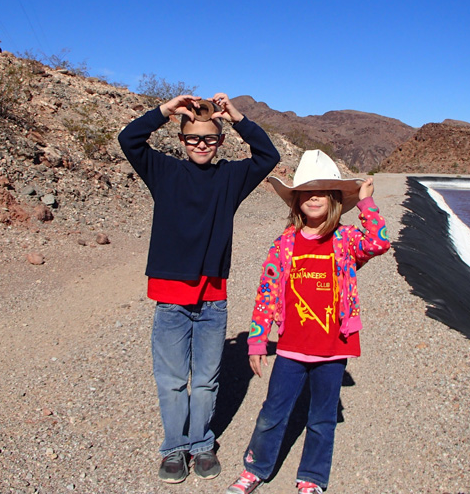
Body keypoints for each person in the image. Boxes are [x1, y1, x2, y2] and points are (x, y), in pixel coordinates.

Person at [117, 92, 280, 484]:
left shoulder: (230, 177)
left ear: (220, 141)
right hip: (171, 299)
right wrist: (166, 111)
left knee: (206, 380)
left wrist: (237, 117)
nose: (202, 145)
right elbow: (129, 140)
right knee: (172, 380)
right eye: (193, 139)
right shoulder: (164, 171)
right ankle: (174, 449)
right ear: (182, 141)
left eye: (209, 138)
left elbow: (267, 157)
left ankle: (201, 443)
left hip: (212, 299)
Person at [226, 150, 391, 494]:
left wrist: (366, 203)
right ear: (297, 200)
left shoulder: (346, 240)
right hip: (290, 348)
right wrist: (257, 340)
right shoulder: (283, 244)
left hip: (334, 348)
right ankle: (256, 468)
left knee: (321, 419)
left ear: (334, 200)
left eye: (323, 191)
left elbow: (379, 242)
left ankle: (312, 478)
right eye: (306, 191)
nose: (314, 197)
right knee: (272, 413)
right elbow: (267, 294)